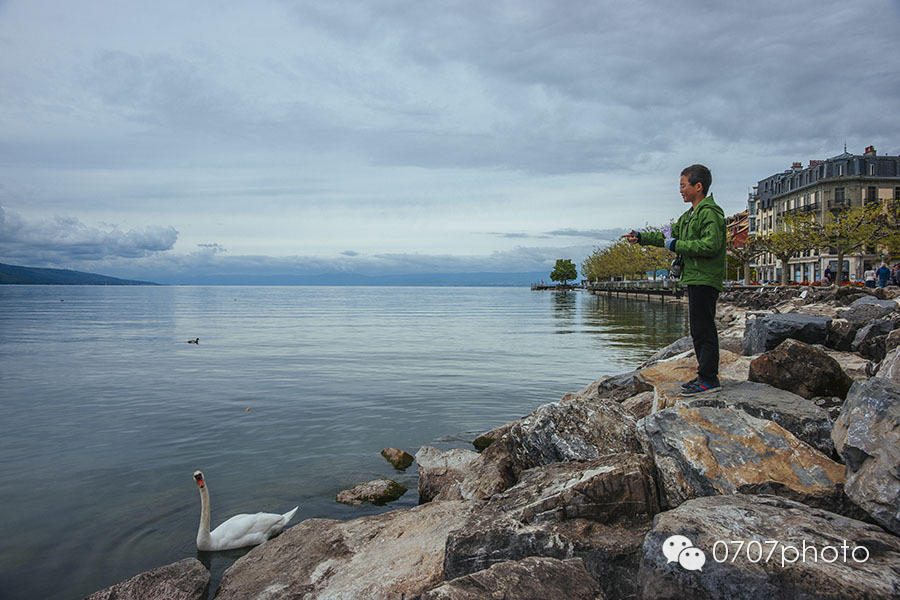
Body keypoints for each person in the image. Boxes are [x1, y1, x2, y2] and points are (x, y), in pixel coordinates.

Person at [623, 164, 726, 395]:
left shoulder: (710, 213)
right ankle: (704, 376)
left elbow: (711, 245)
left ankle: (708, 379)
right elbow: (667, 234)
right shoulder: (689, 216)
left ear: (698, 186)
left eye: (683, 186)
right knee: (697, 329)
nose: (680, 190)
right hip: (695, 277)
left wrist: (677, 245)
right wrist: (641, 237)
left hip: (705, 278)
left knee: (704, 329)